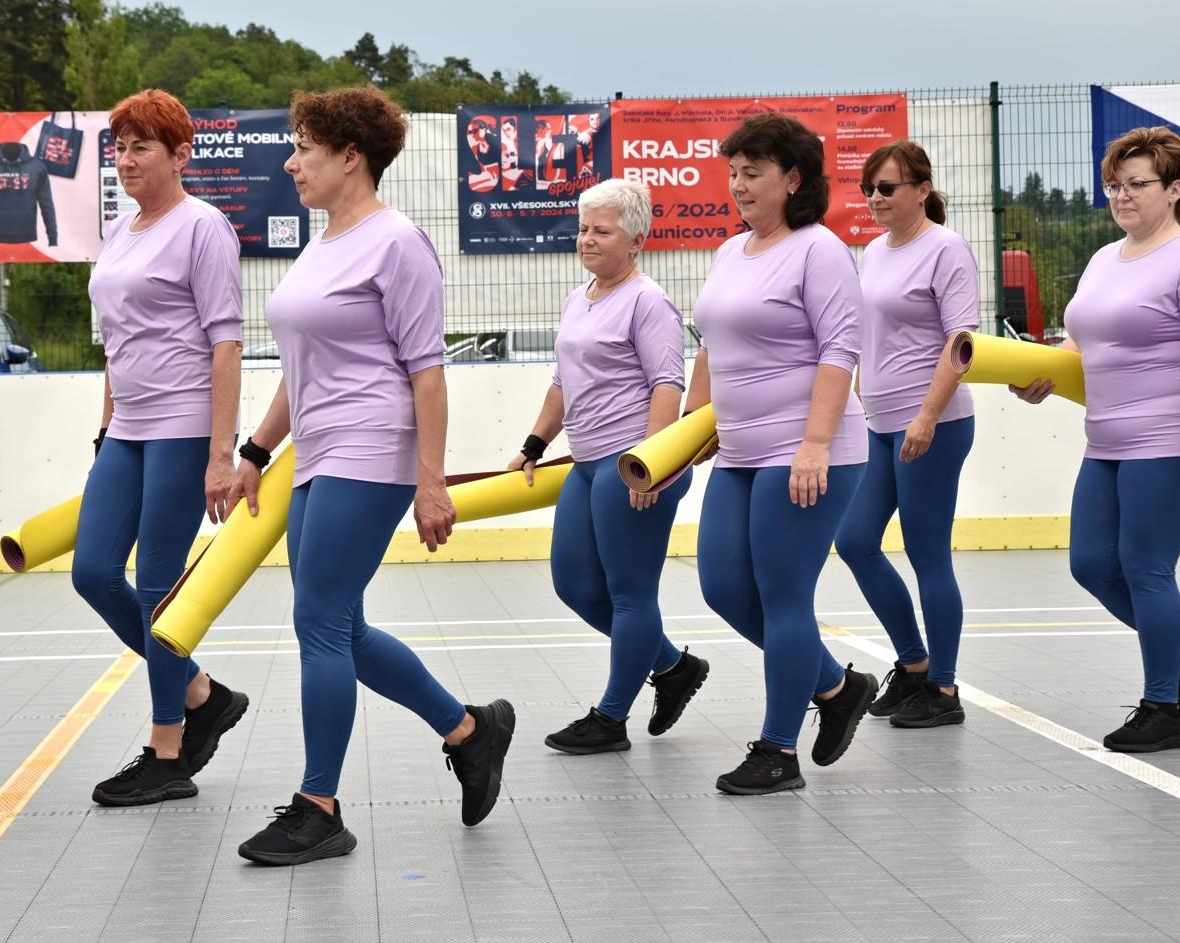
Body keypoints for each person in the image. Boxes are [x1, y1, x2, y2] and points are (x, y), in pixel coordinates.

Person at [232, 86, 514, 866]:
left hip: (371, 446)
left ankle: (318, 807)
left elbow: (426, 370)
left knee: (318, 620)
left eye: (303, 149)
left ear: (350, 156)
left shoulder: (396, 243)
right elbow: (302, 365)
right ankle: (469, 730)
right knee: (342, 628)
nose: (290, 164)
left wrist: (431, 480)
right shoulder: (323, 243)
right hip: (317, 452)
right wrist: (255, 450)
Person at [1012, 126, 1180, 752]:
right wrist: (1043, 373)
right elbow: (1083, 342)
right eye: (1114, 185)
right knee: (1090, 564)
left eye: (1137, 184)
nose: (1122, 196)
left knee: (1145, 569)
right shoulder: (1104, 259)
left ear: (1175, 189)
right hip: (1105, 440)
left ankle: (1164, 707)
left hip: (1166, 440)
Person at [688, 113, 877, 795]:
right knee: (723, 587)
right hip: (738, 450)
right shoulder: (729, 252)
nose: (738, 185)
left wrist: (814, 443)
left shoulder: (818, 249)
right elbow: (710, 346)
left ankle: (778, 749)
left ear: (792, 179)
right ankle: (836, 686)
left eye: (753, 173)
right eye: (733, 172)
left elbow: (839, 350)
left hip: (805, 450)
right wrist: (688, 429)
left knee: (784, 597)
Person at [77, 88, 249, 805]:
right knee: (92, 572)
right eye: (119, 147)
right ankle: (202, 691)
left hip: (183, 424)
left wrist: (220, 453)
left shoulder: (202, 227)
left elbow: (226, 342)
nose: (126, 159)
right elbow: (115, 345)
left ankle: (167, 749)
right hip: (127, 429)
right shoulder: (120, 231)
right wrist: (104, 428)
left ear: (180, 155)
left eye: (141, 147)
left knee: (157, 585)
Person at [507, 178, 710, 754]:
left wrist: (651, 464)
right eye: (583, 229)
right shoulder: (580, 297)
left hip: (632, 463)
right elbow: (562, 381)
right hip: (586, 462)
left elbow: (667, 385)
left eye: (602, 231)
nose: (587, 239)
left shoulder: (648, 301)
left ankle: (611, 718)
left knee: (629, 594)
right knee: (574, 584)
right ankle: (672, 667)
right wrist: (534, 443)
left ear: (637, 240)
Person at [833, 142, 979, 728]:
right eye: (869, 189)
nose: (875, 198)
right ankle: (914, 665)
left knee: (927, 554)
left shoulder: (945, 248)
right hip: (879, 423)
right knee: (854, 540)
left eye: (887, 188)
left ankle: (943, 689)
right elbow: (870, 335)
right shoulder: (875, 251)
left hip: (932, 424)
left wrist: (925, 417)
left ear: (922, 190)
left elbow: (960, 343)